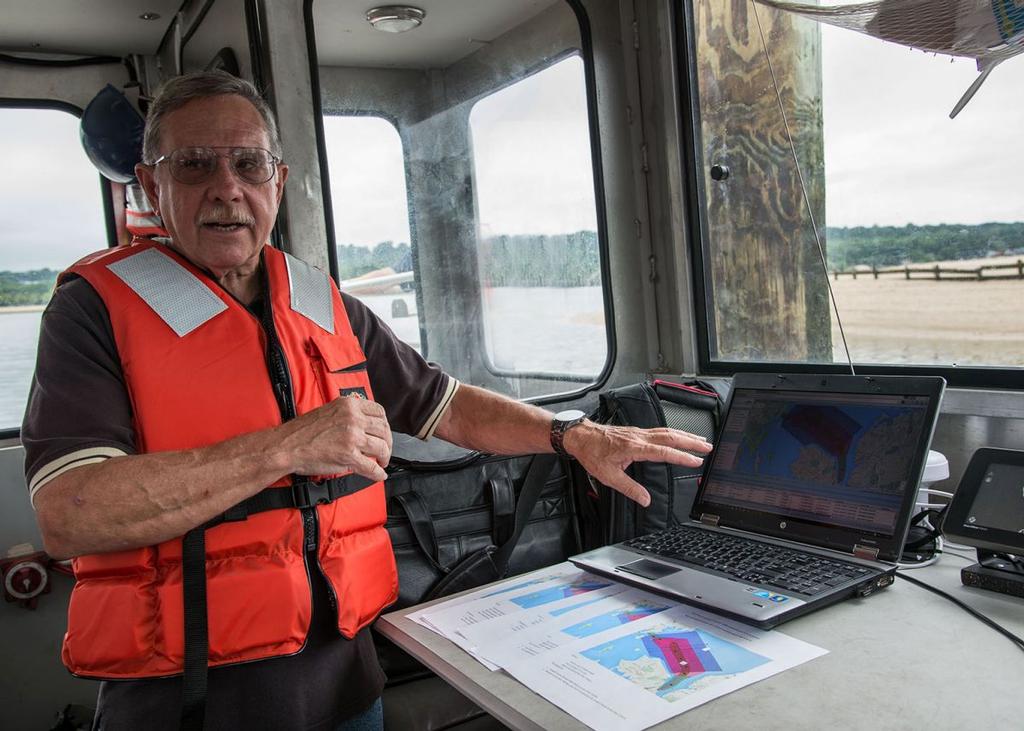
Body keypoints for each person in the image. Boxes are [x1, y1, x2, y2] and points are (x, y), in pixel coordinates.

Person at [23, 70, 712, 731]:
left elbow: (448, 406)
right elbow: (71, 513)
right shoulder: (93, 312)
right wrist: (288, 444)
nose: (226, 189)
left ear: (279, 181)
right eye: (195, 164)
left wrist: (573, 435)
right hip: (188, 703)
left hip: (348, 686)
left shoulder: (324, 303)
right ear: (150, 183)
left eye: (249, 165)